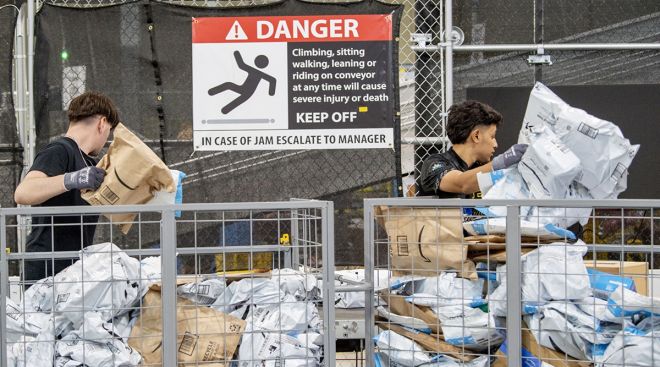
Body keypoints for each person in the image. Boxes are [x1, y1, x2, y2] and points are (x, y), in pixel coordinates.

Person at [14, 91, 119, 282]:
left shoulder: (89, 163)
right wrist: (71, 179)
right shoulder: (60, 150)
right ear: (102, 123)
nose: (106, 140)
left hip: (72, 270)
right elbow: (23, 193)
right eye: (109, 131)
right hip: (48, 270)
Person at [418, 100, 527, 198]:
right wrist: (502, 161)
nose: (496, 144)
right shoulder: (434, 164)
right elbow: (462, 184)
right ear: (476, 136)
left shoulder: (481, 168)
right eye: (492, 137)